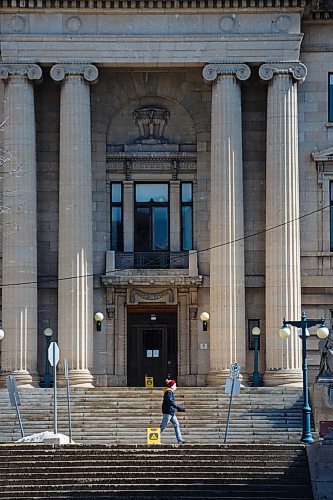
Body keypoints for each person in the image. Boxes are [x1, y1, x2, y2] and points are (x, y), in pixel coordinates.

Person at [160, 379, 186, 444]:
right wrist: (177, 407)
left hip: (171, 412)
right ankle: (155, 438)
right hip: (168, 412)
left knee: (176, 424)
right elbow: (170, 401)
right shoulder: (168, 392)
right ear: (172, 386)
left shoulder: (170, 392)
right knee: (163, 426)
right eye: (175, 385)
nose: (175, 386)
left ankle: (179, 439)